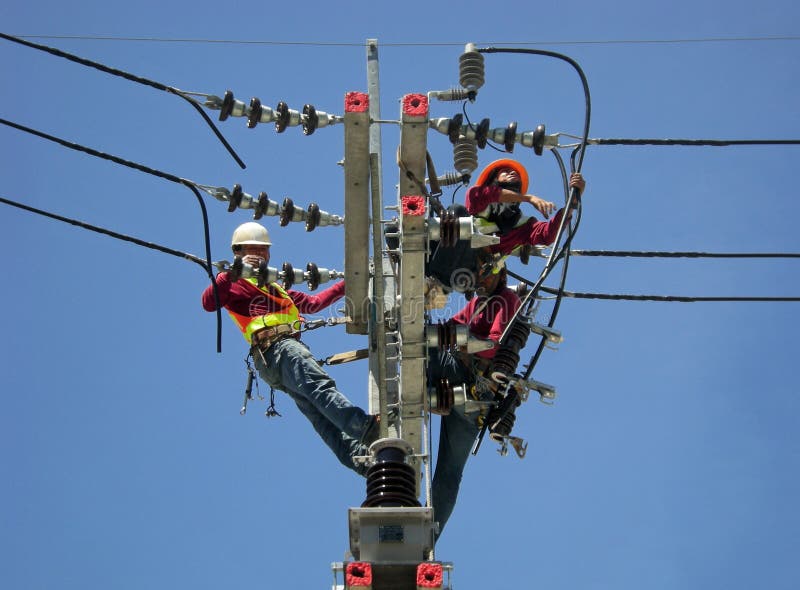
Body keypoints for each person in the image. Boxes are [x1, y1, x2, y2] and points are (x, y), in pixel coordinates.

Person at [201, 222, 378, 474]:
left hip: (277, 358)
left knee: (318, 412)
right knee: (319, 386)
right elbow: (208, 302)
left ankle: (365, 462)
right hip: (276, 349)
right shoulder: (233, 284)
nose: (260, 255)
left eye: (263, 251)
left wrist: (352, 279)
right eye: (254, 250)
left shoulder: (278, 289)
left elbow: (315, 303)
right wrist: (232, 272)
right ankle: (366, 428)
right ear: (238, 252)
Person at [427, 254, 521, 536]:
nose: (480, 282)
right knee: (448, 474)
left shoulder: (506, 300)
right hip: (470, 401)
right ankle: (428, 538)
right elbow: (448, 328)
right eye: (478, 277)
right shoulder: (478, 303)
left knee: (416, 342)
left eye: (485, 276)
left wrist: (459, 339)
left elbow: (494, 344)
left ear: (500, 275)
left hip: (471, 384)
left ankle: (429, 539)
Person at [465, 158, 586, 257]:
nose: (512, 173)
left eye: (515, 173)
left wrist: (573, 201)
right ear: (493, 180)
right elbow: (487, 194)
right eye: (506, 171)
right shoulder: (478, 198)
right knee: (456, 211)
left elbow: (547, 235)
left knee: (508, 286)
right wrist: (528, 198)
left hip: (479, 277)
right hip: (459, 251)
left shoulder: (522, 224)